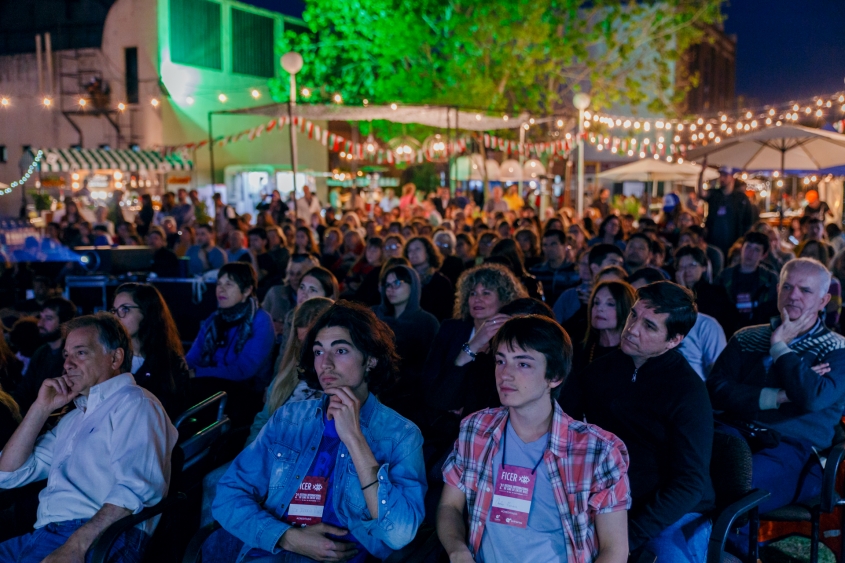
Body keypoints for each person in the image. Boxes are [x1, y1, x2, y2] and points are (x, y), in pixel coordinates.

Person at [212, 301, 427, 562]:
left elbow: (400, 534)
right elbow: (226, 496)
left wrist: (355, 439)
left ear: (370, 359)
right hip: (274, 551)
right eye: (318, 351)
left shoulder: (401, 435)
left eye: (340, 350)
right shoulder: (289, 419)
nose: (325, 363)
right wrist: (289, 537)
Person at [437, 315, 631, 563]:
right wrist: (458, 551)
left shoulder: (598, 450)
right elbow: (449, 506)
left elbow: (614, 550)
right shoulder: (476, 430)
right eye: (500, 361)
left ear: (555, 376)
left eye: (523, 364)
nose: (505, 374)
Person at [0, 313, 178, 563]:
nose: (67, 364)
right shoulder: (75, 417)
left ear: (115, 358)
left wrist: (76, 546)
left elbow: (136, 489)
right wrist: (40, 408)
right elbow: (7, 474)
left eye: (80, 353)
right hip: (47, 534)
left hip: (98, 537)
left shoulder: (135, 404)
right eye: (66, 355)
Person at [562, 282, 714, 562]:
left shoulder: (687, 392)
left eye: (649, 326)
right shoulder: (600, 370)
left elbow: (689, 484)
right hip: (606, 502)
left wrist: (627, 536)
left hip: (666, 511)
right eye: (633, 315)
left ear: (674, 340)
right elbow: (564, 423)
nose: (632, 329)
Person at [707, 258, 845, 553]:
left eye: (805, 291)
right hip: (734, 432)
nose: (793, 295)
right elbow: (716, 390)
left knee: (733, 487)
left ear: (824, 300)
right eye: (787, 286)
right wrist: (779, 396)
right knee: (683, 470)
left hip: (795, 449)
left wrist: (780, 347)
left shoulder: (838, 348)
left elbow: (812, 397)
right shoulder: (747, 337)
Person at [199, 297, 334, 527]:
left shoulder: (339, 381)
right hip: (269, 455)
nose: (309, 355)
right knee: (215, 482)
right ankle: (215, 546)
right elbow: (263, 418)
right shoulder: (289, 375)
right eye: (302, 345)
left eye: (314, 348)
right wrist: (249, 454)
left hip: (307, 466)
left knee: (265, 500)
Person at [420, 264, 528, 444]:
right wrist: (473, 345)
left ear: (504, 300)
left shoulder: (511, 338)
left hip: (491, 432)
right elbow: (430, 388)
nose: (477, 299)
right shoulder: (450, 329)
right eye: (472, 293)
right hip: (442, 427)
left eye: (486, 293)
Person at [186, 263, 275, 425]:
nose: (221, 289)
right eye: (219, 284)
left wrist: (198, 373)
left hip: (245, 391)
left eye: (229, 284)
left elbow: (244, 370)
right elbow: (193, 356)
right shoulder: (214, 319)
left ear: (247, 290)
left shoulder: (261, 320)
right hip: (208, 383)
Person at [111, 283, 191, 418]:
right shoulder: (108, 356)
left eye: (125, 309)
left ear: (146, 312)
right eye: (114, 310)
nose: (117, 317)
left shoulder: (170, 363)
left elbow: (167, 411)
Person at [372, 265, 440, 417]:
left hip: (411, 396)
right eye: (387, 285)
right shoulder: (375, 316)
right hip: (376, 390)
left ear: (413, 285)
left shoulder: (426, 322)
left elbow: (431, 364)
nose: (391, 289)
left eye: (397, 283)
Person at [12, 298, 76, 417]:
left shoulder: (74, 356)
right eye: (41, 317)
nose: (40, 323)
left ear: (65, 323)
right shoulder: (41, 353)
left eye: (48, 318)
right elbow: (24, 391)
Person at [552, 244, 624, 335]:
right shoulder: (570, 295)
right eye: (613, 263)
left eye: (620, 264)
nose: (618, 269)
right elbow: (554, 329)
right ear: (594, 267)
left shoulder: (624, 295)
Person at [717, 231, 779, 330]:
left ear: (764, 255)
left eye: (756, 250)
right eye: (748, 247)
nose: (750, 253)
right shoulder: (725, 276)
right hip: (728, 328)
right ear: (741, 249)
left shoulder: (770, 278)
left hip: (760, 330)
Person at [572, 280, 636, 375]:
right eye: (596, 302)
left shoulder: (633, 354)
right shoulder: (579, 346)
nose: (599, 308)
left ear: (625, 309)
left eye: (610, 304)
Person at [674, 245, 739, 336]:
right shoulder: (672, 293)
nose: (687, 270)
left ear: (703, 267)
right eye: (682, 267)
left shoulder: (715, 293)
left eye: (692, 265)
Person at [262, 254, 319, 341]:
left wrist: (285, 328)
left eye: (299, 274)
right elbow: (261, 322)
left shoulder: (317, 299)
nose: (295, 278)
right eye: (291, 273)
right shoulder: (275, 293)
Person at [703, 169, 754, 257]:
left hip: (734, 243)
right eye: (721, 175)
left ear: (732, 178)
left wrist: (743, 242)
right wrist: (701, 173)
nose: (722, 178)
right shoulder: (715, 194)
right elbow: (701, 193)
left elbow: (749, 222)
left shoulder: (741, 198)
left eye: (725, 176)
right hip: (714, 242)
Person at [404, 236, 454, 321]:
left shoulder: (441, 281)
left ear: (427, 252)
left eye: (417, 249)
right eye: (410, 250)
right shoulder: (406, 280)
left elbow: (446, 313)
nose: (413, 253)